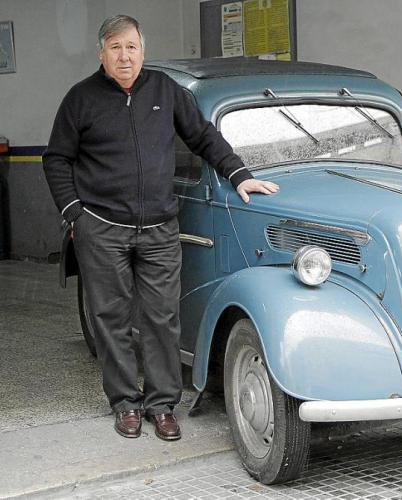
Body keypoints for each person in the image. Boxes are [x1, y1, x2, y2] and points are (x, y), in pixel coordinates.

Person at [43, 15, 279, 441]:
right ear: (101, 54)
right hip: (102, 227)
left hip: (159, 229)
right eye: (115, 47)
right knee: (111, 318)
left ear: (143, 51)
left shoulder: (165, 91)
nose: (124, 56)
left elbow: (203, 136)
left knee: (162, 317)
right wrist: (75, 212)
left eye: (131, 47)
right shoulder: (80, 99)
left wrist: (239, 174)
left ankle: (162, 405)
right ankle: (125, 403)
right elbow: (56, 158)